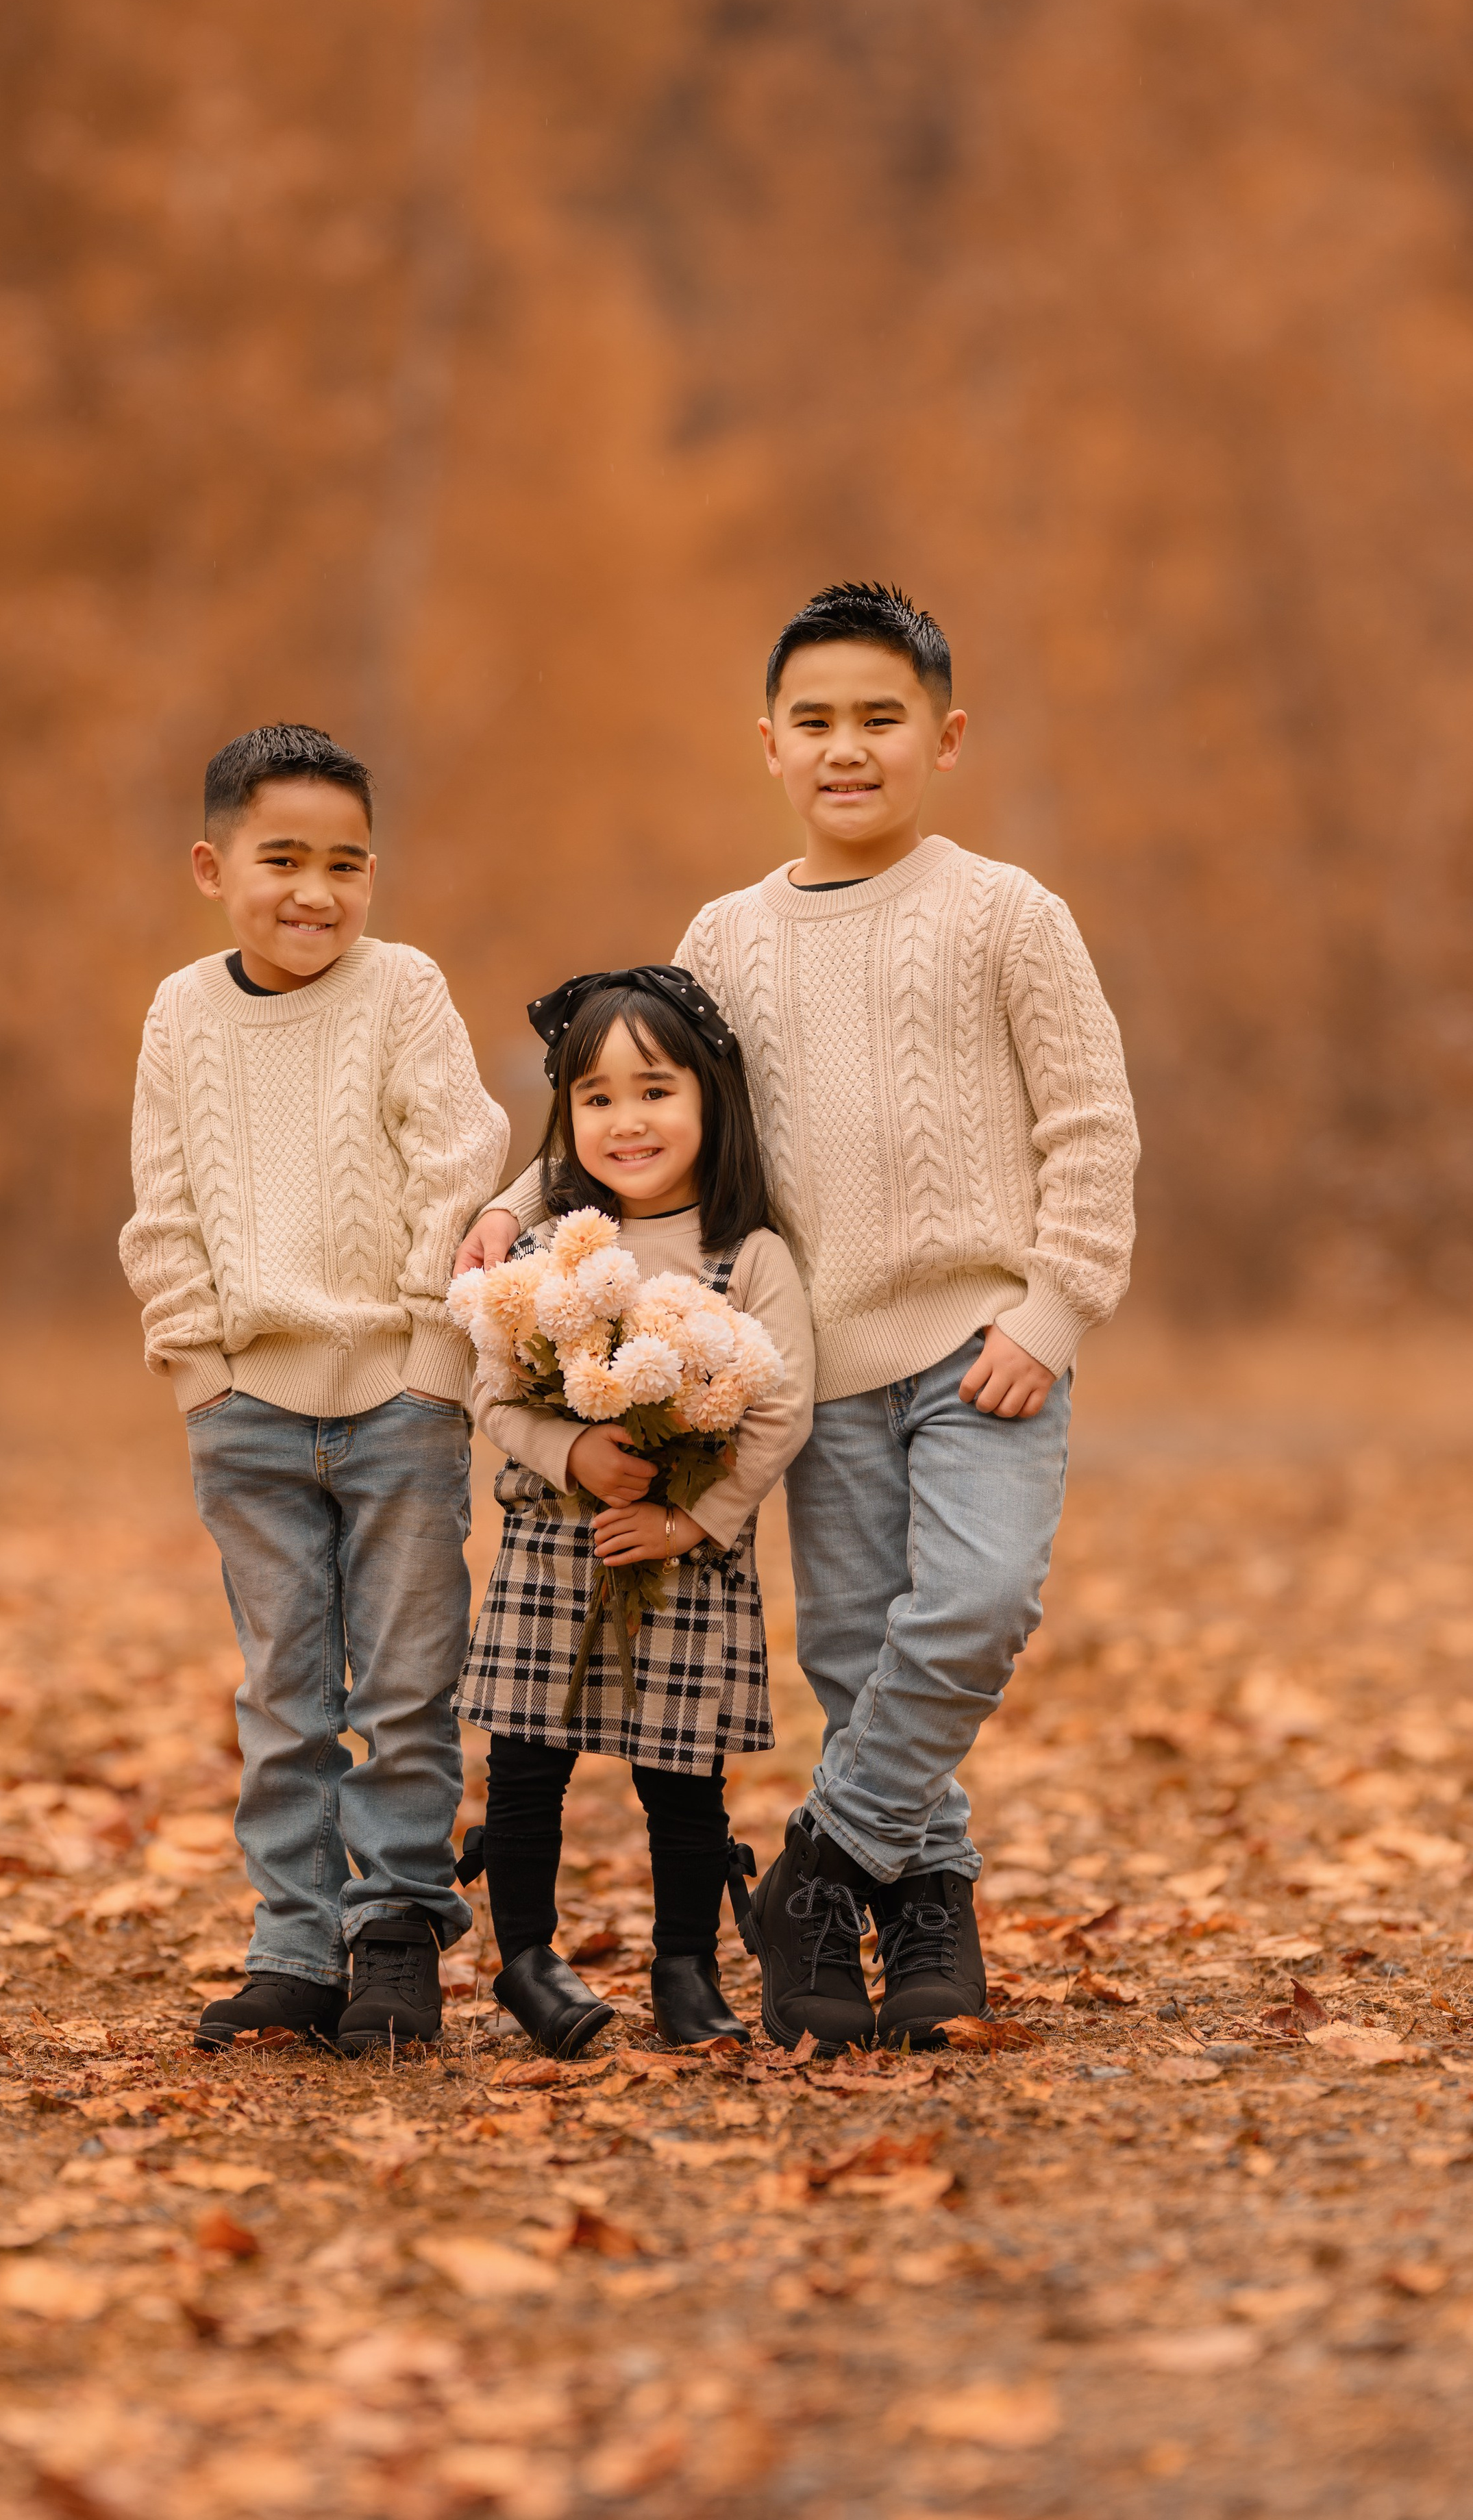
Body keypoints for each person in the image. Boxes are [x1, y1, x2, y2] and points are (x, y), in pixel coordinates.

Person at [458, 584, 1138, 2051]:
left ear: (942, 737)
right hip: (809, 1360)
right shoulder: (728, 933)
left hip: (981, 1347)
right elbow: (636, 1099)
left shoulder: (1006, 913)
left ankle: (821, 1867)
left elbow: (1090, 1128)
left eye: (879, 719)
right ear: (766, 742)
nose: (847, 748)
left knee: (968, 1607)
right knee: (848, 1646)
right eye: (814, 721)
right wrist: (519, 1201)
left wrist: (1052, 1308)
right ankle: (924, 1900)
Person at [119, 723, 508, 2057]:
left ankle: (392, 1928)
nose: (313, 891)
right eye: (280, 857)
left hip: (398, 1400)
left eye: (344, 863)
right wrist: (201, 1371)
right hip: (246, 1408)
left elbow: (459, 1158)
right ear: (210, 864)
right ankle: (293, 1938)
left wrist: (424, 1361)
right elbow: (164, 1206)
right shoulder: (183, 1012)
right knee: (286, 1691)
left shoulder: (400, 989)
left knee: (404, 1681)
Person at [454, 970, 813, 2058]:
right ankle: (526, 1957)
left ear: (710, 1101)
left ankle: (686, 1965)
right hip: (553, 1541)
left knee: (681, 1778)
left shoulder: (747, 1253)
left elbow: (783, 1403)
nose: (627, 1120)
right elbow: (490, 1388)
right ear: (565, 1120)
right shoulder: (553, 1247)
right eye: (596, 1098)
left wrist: (690, 1520)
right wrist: (569, 1447)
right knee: (523, 1766)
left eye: (654, 1090)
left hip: (686, 1554)